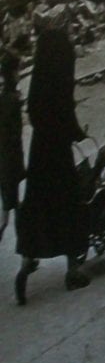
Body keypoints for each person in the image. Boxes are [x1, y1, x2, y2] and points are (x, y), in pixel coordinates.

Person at [15, 5, 91, 304]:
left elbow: (35, 107)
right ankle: (73, 270)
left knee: (38, 203)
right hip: (59, 149)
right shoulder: (64, 51)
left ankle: (26, 262)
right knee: (68, 203)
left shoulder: (42, 50)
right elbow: (64, 103)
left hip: (40, 148)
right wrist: (76, 132)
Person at [0, 53, 24, 244]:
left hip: (3, 159)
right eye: (18, 70)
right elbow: (15, 135)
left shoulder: (2, 98)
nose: (20, 74)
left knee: (8, 209)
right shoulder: (14, 100)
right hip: (13, 160)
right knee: (15, 208)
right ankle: (25, 251)